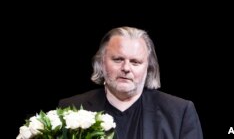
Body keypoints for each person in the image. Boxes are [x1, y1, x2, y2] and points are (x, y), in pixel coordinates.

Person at [59, 26, 203, 139]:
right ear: (101, 63)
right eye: (118, 59)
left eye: (135, 62)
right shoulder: (72, 108)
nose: (126, 68)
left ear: (149, 68)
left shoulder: (179, 112)